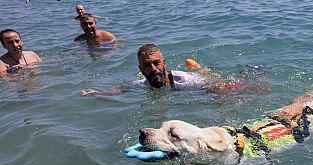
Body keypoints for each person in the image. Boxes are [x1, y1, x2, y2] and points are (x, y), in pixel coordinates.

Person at [80, 43, 269, 95]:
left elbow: (215, 85)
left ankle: (256, 72)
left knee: (215, 84)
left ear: (164, 63)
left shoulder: (184, 79)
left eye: (156, 63)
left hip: (200, 80)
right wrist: (96, 92)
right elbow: (120, 89)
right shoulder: (140, 85)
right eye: (147, 65)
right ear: (141, 69)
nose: (153, 69)